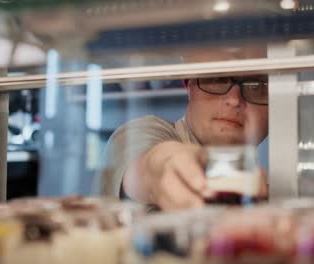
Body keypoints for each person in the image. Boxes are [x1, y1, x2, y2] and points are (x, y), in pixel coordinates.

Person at [97, 48, 269, 211]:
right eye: (218, 79)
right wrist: (165, 166)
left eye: (256, 86)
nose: (234, 100)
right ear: (189, 85)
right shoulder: (140, 134)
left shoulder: (273, 189)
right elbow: (153, 166)